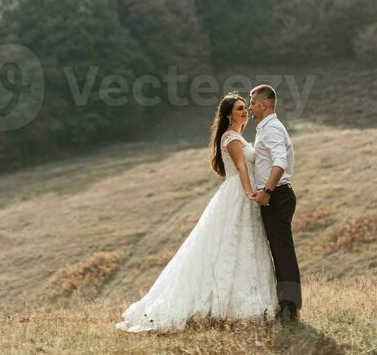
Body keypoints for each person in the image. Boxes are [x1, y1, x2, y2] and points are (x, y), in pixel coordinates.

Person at [116, 93, 278, 332]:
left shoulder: (238, 137)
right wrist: (249, 193)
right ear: (228, 115)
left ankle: (244, 301)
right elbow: (242, 167)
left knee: (241, 245)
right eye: (239, 109)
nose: (245, 112)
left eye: (245, 108)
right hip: (239, 194)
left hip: (239, 193)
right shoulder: (231, 137)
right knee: (231, 243)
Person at [248, 83, 302, 321]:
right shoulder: (265, 128)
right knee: (279, 251)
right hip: (276, 195)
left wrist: (267, 190)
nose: (250, 108)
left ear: (264, 104)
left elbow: (279, 162)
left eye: (252, 103)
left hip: (277, 195)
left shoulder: (271, 129)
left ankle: (290, 307)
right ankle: (286, 304)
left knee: (282, 252)